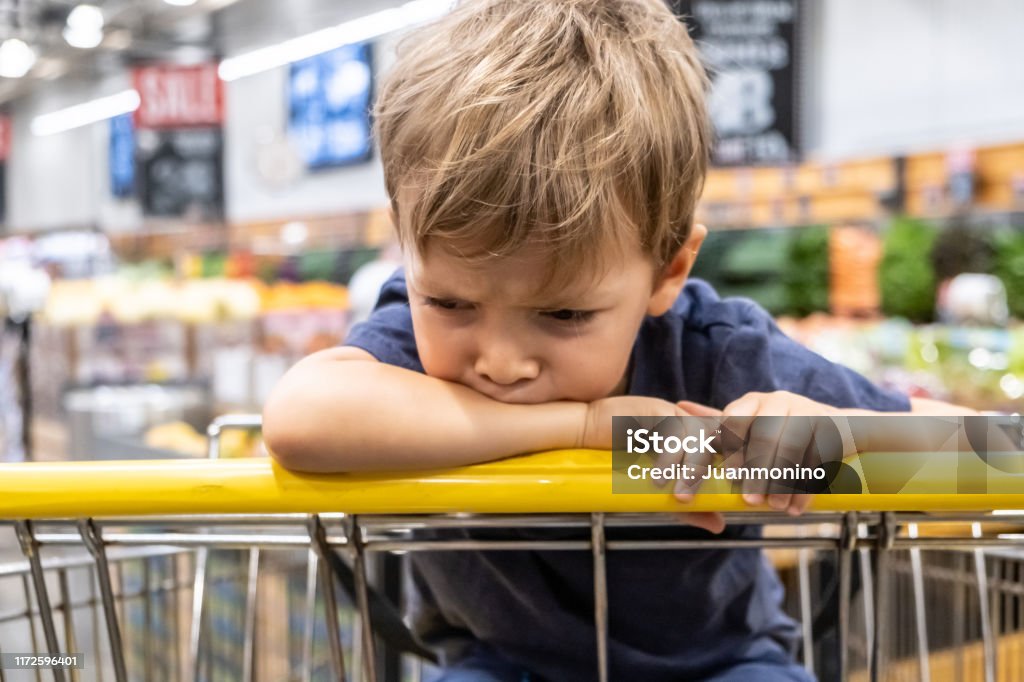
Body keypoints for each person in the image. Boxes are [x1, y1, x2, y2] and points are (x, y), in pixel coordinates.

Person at [262, 1, 970, 679]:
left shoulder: (714, 350)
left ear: (669, 270)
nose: (501, 361)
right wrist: (589, 425)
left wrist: (835, 445)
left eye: (564, 315)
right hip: (496, 661)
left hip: (720, 664)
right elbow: (301, 419)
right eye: (449, 301)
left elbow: (990, 457)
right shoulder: (405, 340)